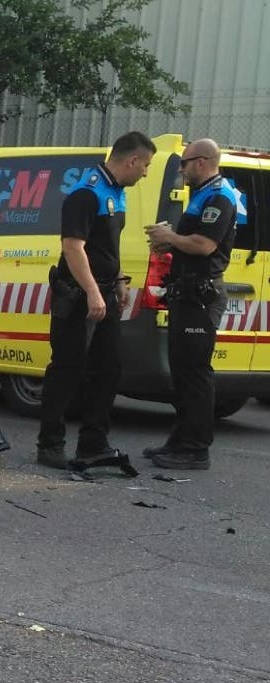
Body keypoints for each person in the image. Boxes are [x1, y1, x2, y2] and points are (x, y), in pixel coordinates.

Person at [37, 131, 156, 469]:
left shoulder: (116, 193)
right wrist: (91, 291)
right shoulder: (86, 194)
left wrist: (117, 281)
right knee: (67, 368)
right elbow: (73, 246)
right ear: (132, 160)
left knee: (109, 368)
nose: (145, 172)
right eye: (145, 165)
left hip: (104, 292)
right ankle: (50, 444)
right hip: (78, 296)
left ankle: (93, 442)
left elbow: (105, 246)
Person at [143, 139, 238, 470]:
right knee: (181, 372)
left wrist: (170, 238)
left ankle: (196, 448)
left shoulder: (219, 197)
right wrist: (168, 246)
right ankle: (180, 440)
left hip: (201, 297)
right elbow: (190, 245)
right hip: (186, 293)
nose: (180, 170)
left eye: (183, 164)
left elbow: (204, 245)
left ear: (201, 162)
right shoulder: (201, 196)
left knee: (195, 372)